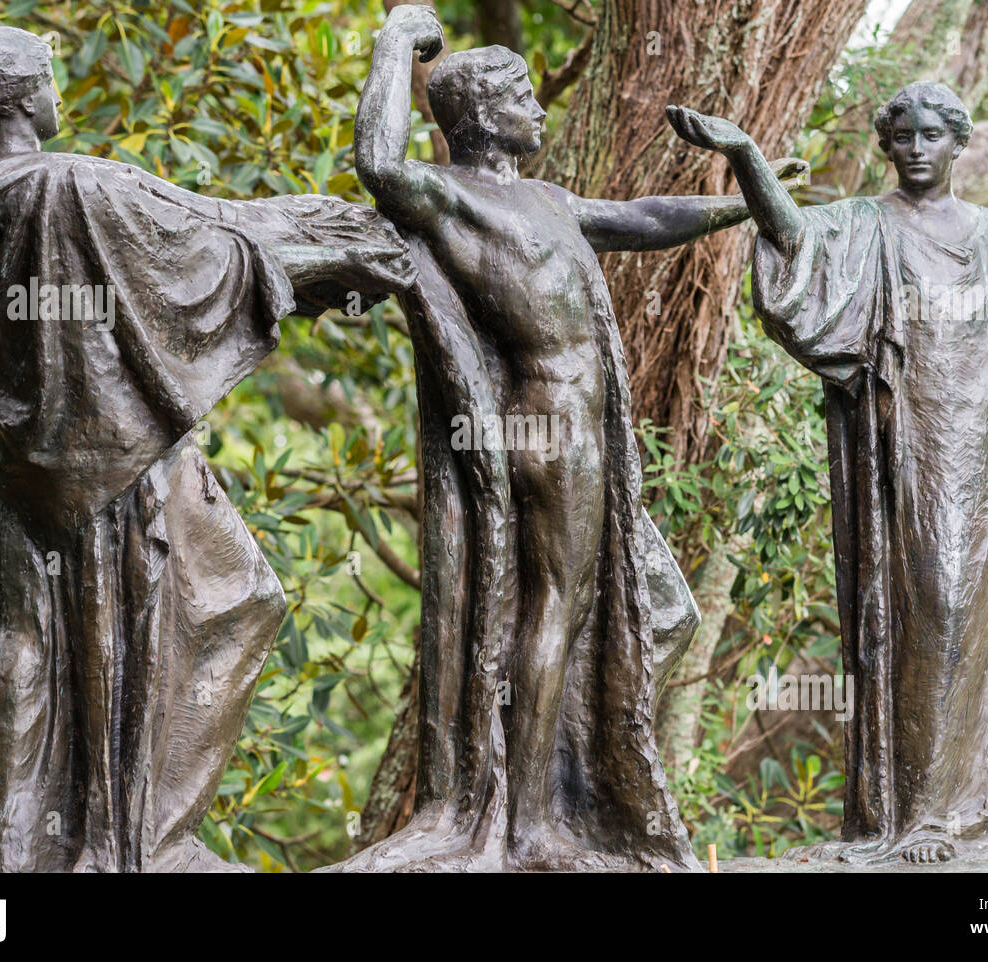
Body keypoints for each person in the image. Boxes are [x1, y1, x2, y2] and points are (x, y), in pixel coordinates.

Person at [0, 26, 414, 872]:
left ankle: (25, 841)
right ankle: (140, 839)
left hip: (29, 465)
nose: (58, 94)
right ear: (26, 97)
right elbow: (204, 239)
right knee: (239, 603)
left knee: (34, 634)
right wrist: (326, 251)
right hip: (120, 455)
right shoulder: (67, 182)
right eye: (50, 78)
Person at [330, 4, 805, 872]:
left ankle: (534, 803)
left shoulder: (544, 199)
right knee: (557, 606)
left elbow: (636, 219)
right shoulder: (451, 194)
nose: (539, 107)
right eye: (522, 94)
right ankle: (526, 819)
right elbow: (377, 163)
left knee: (586, 607)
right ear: (479, 116)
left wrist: (736, 201)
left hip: (572, 426)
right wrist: (398, 41)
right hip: (549, 425)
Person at [668, 83, 988, 863]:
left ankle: (971, 817)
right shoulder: (864, 223)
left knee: (971, 625)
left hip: (982, 465)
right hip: (902, 453)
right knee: (913, 623)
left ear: (959, 143)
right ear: (886, 146)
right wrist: (746, 156)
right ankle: (915, 816)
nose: (915, 148)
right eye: (902, 136)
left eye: (931, 135)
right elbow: (796, 248)